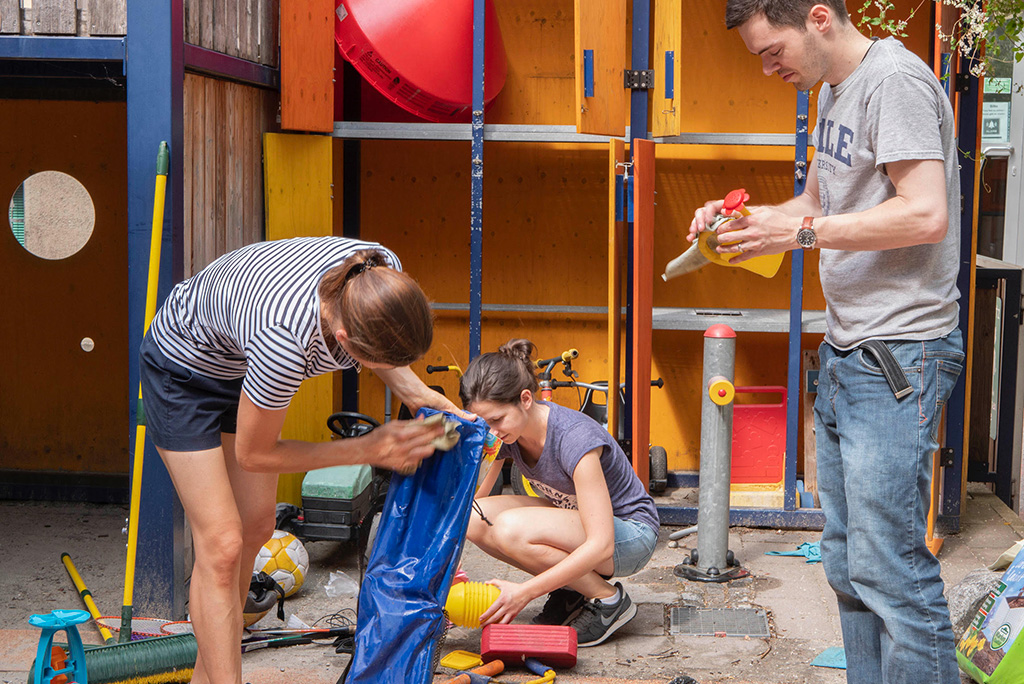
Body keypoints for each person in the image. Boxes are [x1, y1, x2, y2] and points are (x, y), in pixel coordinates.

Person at [687, 3, 964, 683]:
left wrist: (800, 236)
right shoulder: (836, 91)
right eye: (758, 56)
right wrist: (746, 221)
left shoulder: (893, 82)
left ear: (817, 18)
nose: (768, 66)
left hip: (898, 355)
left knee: (890, 566)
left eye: (772, 49)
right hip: (847, 353)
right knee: (847, 561)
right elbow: (817, 202)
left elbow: (926, 213)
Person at [139, 236, 466, 684]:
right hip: (182, 371)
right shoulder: (284, 342)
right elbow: (253, 454)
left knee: (255, 527)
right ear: (343, 340)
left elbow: (384, 351)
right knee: (222, 545)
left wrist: (423, 395)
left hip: (240, 359)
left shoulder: (379, 269)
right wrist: (367, 448)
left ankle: (206, 676)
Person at [458, 339, 660, 647]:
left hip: (630, 534)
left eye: (496, 420)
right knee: (473, 519)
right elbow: (473, 503)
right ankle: (573, 591)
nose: (492, 431)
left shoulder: (573, 439)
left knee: (511, 529)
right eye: (483, 423)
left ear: (525, 399)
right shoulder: (506, 434)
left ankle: (608, 601)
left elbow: (602, 545)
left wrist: (525, 592)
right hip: (580, 521)